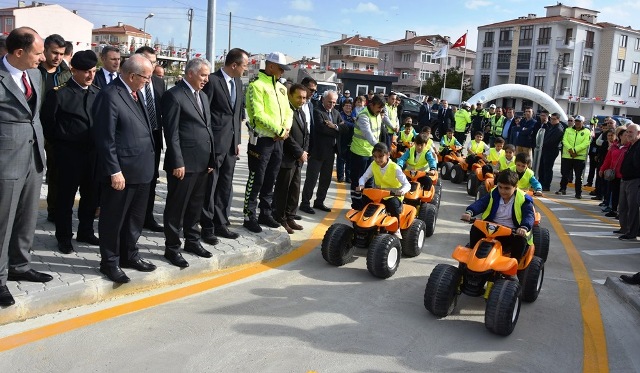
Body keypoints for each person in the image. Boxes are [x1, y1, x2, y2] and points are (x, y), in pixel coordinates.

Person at [92, 54, 157, 283]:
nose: (148, 81)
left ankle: (130, 255)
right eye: (146, 77)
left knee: (134, 219)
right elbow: (104, 138)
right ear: (132, 75)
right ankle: (109, 262)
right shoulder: (110, 95)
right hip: (122, 173)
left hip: (141, 170)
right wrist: (114, 171)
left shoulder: (135, 94)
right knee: (113, 220)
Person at [0, 27, 53, 307]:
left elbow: (35, 116)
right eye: (38, 52)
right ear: (19, 53)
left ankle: (20, 265)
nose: (43, 57)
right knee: (3, 222)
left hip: (33, 157)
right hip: (6, 160)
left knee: (27, 217)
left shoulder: (34, 75)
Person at [41, 50, 100, 254]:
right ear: (74, 70)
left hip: (93, 155)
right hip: (68, 155)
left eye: (93, 71)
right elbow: (48, 126)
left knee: (90, 196)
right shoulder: (59, 94)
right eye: (86, 72)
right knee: (65, 199)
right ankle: (64, 237)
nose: (90, 76)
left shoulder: (98, 93)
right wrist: (60, 149)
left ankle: (86, 231)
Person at [162, 58, 215, 268]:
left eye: (208, 75)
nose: (206, 80)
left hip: (203, 163)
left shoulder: (202, 96)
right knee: (177, 208)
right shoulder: (173, 96)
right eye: (203, 75)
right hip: (183, 164)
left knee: (195, 206)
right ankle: (172, 248)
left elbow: (208, 129)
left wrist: (211, 158)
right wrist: (177, 161)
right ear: (190, 73)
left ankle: (192, 241)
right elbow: (171, 133)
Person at [200, 48, 248, 241]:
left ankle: (220, 223)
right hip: (214, 144)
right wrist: (209, 143)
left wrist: (237, 141)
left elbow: (237, 114)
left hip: (230, 145)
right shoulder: (212, 81)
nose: (246, 69)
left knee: (225, 186)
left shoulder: (237, 82)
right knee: (210, 186)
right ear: (234, 65)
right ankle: (206, 226)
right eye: (245, 65)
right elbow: (205, 114)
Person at [242, 52, 292, 233]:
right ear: (270, 66)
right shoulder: (256, 85)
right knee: (257, 178)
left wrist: (285, 129)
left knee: (271, 177)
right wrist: (278, 130)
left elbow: (288, 112)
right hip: (261, 140)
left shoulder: (281, 88)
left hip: (278, 141)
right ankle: (249, 215)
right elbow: (257, 114)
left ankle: (265, 212)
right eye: (280, 69)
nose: (282, 73)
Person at [461, 169, 534, 263]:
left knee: (520, 240)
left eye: (507, 188)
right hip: (492, 229)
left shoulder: (524, 199)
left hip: (512, 232)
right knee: (475, 228)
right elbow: (481, 203)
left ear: (515, 187)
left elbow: (529, 215)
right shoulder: (494, 194)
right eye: (500, 187)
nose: (503, 191)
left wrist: (524, 227)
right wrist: (469, 212)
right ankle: (472, 257)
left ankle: (512, 268)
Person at [39, 34, 71, 223]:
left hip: (56, 132)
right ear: (44, 50)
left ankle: (53, 210)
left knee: (56, 173)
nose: (58, 57)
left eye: (61, 53)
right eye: (54, 52)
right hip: (34, 129)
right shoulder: (33, 71)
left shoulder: (66, 74)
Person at [135, 46, 167, 233]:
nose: (152, 66)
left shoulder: (158, 83)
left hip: (154, 137)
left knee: (151, 179)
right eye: (149, 61)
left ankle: (147, 217)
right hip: (135, 140)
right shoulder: (130, 81)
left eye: (154, 62)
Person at [300, 90, 346, 214]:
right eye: (329, 101)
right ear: (323, 100)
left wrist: (334, 126)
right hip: (317, 151)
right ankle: (305, 203)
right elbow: (321, 129)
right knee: (312, 179)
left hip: (331, 152)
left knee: (326, 179)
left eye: (334, 102)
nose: (331, 104)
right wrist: (337, 129)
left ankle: (319, 201)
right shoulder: (317, 111)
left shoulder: (336, 113)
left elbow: (344, 127)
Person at [273, 84, 309, 234]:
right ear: (290, 96)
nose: (302, 100)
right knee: (283, 190)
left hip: (298, 159)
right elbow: (287, 137)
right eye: (299, 97)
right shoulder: (287, 111)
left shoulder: (301, 112)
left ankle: (290, 216)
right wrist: (300, 152)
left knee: (294, 190)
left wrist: (305, 151)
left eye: (304, 98)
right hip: (287, 157)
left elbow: (306, 134)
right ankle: (279, 218)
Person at [356, 142, 411, 238]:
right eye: (375, 157)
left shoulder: (395, 167)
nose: (377, 159)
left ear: (388, 155)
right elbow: (364, 177)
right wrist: (361, 185)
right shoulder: (373, 164)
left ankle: (396, 229)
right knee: (365, 201)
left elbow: (407, 184)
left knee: (393, 205)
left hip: (393, 195)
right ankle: (363, 225)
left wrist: (401, 191)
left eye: (380, 156)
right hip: (378, 195)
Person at [349, 94, 391, 209]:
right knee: (358, 181)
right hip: (359, 153)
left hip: (371, 154)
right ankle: (357, 205)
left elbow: (379, 133)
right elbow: (368, 134)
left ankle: (366, 204)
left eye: (382, 108)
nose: (380, 110)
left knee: (370, 181)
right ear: (371, 105)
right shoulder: (363, 116)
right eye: (378, 108)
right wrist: (380, 148)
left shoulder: (377, 115)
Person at [556, 115, 590, 198]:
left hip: (579, 157)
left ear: (583, 122)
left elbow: (586, 143)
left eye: (579, 121)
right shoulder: (568, 130)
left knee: (579, 176)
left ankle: (578, 193)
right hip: (567, 156)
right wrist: (570, 149)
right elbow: (564, 140)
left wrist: (575, 150)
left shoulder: (586, 131)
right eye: (576, 121)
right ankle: (562, 189)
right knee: (565, 174)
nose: (577, 123)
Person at [616, 123, 640, 240]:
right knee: (623, 207)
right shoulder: (631, 145)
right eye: (627, 132)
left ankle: (632, 232)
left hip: (635, 180)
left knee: (633, 208)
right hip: (625, 179)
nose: (628, 134)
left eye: (631, 132)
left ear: (638, 134)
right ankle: (624, 228)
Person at [599, 128, 628, 219]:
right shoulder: (614, 146)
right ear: (620, 136)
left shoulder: (629, 147)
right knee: (614, 193)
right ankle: (614, 210)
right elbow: (608, 159)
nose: (627, 136)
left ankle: (621, 213)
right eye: (625, 135)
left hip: (623, 175)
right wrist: (602, 169)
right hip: (613, 174)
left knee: (623, 196)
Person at [538, 112, 564, 191]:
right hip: (545, 149)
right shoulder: (552, 127)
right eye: (551, 119)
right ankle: (541, 183)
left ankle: (546, 185)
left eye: (554, 119)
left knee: (547, 168)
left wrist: (543, 143)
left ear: (558, 119)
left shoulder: (558, 129)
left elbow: (551, 141)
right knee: (542, 167)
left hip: (551, 150)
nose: (552, 120)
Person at [337, 98, 355, 183]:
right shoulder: (339, 115)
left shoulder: (353, 116)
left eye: (350, 106)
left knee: (350, 160)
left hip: (352, 140)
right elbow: (340, 125)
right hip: (342, 139)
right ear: (343, 107)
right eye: (346, 105)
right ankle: (340, 176)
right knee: (341, 159)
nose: (348, 107)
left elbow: (355, 126)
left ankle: (349, 177)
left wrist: (346, 123)